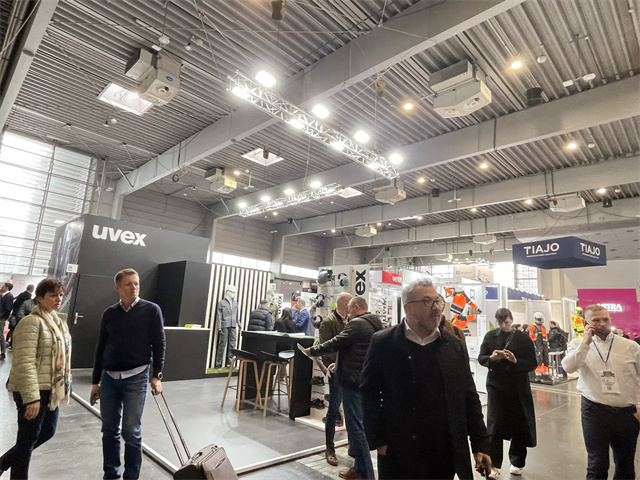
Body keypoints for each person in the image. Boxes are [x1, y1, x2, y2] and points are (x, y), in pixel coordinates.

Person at [361, 279, 491, 480]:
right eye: (427, 302)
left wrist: (480, 444)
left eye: (438, 301)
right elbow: (368, 392)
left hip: (443, 452)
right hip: (398, 451)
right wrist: (379, 441)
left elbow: (468, 396)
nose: (437, 308)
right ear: (408, 308)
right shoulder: (384, 342)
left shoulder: (454, 346)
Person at [90, 268, 165, 480]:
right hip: (109, 378)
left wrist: (157, 375)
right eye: (128, 284)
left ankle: (131, 477)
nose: (134, 287)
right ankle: (111, 475)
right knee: (109, 430)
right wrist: (96, 381)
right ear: (118, 287)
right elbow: (101, 347)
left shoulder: (151, 310)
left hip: (137, 377)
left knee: (131, 431)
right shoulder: (109, 313)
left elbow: (159, 343)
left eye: (136, 283)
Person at [0, 278, 71, 479]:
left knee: (47, 431)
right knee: (27, 440)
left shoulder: (58, 321)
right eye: (53, 295)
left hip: (51, 389)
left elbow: (64, 358)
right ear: (39, 298)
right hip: (33, 389)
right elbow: (24, 362)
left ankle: (2, 463)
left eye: (60, 295)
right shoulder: (31, 322)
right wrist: (31, 398)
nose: (58, 299)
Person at [305, 296, 381, 480]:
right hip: (364, 380)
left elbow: (335, 343)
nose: (349, 311)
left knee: (356, 428)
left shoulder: (357, 324)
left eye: (351, 307)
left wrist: (312, 351)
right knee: (358, 426)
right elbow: (354, 350)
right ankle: (359, 469)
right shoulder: (375, 323)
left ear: (356, 307)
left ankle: (366, 474)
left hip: (351, 381)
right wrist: (338, 364)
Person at [562, 305, 640, 480]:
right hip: (594, 411)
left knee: (625, 464)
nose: (602, 323)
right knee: (597, 464)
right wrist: (585, 344)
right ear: (586, 323)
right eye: (596, 320)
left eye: (606, 319)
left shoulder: (630, 346)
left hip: (626, 413)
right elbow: (568, 367)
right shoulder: (577, 345)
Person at [478, 308, 537, 478]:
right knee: (494, 426)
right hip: (496, 386)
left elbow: (532, 363)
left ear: (512, 320)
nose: (504, 326)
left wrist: (515, 361)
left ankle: (517, 461)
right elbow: (482, 358)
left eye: (507, 322)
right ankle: (494, 464)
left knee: (519, 424)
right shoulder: (490, 337)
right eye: (501, 323)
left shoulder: (523, 339)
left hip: (518, 387)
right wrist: (492, 358)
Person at [318, 292, 352, 466]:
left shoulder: (351, 321)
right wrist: (335, 364)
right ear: (345, 305)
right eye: (351, 303)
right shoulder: (329, 322)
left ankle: (353, 444)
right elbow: (326, 348)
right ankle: (329, 448)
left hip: (351, 373)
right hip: (337, 372)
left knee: (352, 410)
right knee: (333, 411)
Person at [215, 285, 238, 369]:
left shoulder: (235, 303)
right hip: (224, 325)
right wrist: (219, 327)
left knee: (232, 344)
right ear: (227, 292)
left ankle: (230, 363)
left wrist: (238, 323)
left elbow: (236, 315)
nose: (233, 294)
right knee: (222, 344)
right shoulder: (221, 303)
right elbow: (219, 316)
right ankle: (218, 364)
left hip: (233, 325)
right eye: (232, 292)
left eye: (234, 292)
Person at [7, 285, 34, 349]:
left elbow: (14, 304)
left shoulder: (21, 294)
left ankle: (7, 342)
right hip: (19, 316)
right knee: (16, 330)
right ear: (32, 290)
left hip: (14, 314)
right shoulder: (27, 297)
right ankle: (11, 344)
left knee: (12, 329)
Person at [0, 282, 15, 360]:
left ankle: (3, 353)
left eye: (3, 286)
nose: (2, 287)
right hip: (1, 318)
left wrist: (2, 316)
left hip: (1, 319)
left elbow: (8, 309)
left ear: (6, 287)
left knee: (1, 336)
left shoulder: (9, 296)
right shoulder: (3, 295)